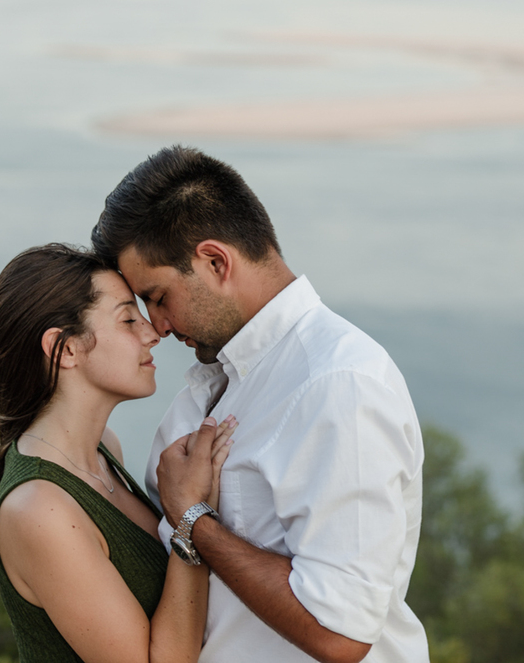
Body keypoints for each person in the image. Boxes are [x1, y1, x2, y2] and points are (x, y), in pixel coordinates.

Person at [91, 147, 429, 663]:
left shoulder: (339, 384)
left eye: (158, 297)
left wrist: (195, 521)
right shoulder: (205, 387)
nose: (156, 325)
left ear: (215, 261)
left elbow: (338, 632)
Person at [0, 243, 235, 663]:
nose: (152, 333)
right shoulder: (39, 512)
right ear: (65, 349)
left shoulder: (105, 450)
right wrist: (191, 517)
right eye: (127, 319)